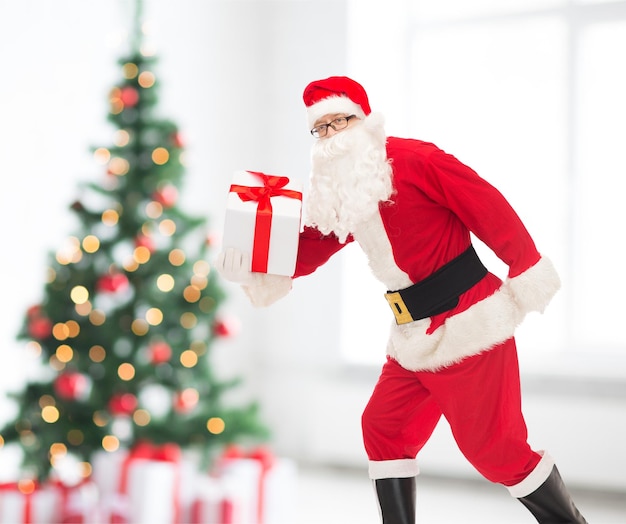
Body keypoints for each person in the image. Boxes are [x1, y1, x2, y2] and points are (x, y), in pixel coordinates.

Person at [217, 76, 587, 524]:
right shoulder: (344, 189)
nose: (333, 135)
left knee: (496, 451)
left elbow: (486, 204)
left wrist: (525, 267)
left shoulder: (415, 159)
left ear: (366, 120)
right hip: (412, 333)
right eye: (322, 128)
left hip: (469, 321)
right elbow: (315, 243)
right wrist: (260, 262)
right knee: (385, 428)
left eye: (342, 120)